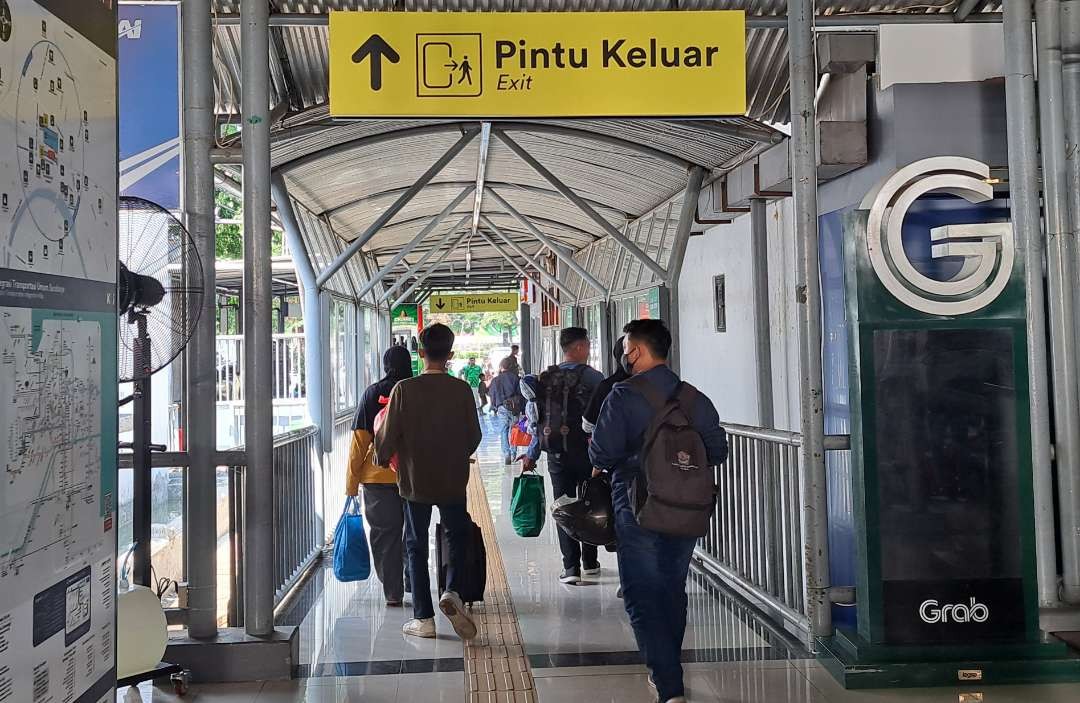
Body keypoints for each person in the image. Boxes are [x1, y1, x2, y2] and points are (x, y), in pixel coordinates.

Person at [589, 319, 728, 703]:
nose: (624, 354)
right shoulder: (695, 398)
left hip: (638, 505)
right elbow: (717, 451)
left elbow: (601, 452)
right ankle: (667, 670)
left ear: (635, 351)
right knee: (671, 588)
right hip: (688, 506)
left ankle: (667, 682)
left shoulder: (623, 395)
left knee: (640, 591)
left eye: (625, 348)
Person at [375, 324, 482, 641]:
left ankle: (424, 618)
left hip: (414, 480)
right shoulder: (461, 390)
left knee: (415, 545)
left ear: (420, 352)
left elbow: (387, 438)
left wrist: (382, 458)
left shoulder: (404, 390)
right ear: (450, 355)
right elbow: (474, 436)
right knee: (457, 536)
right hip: (452, 480)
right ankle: (452, 591)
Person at [521, 327, 604, 584]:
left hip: (556, 452)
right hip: (587, 453)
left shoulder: (547, 377)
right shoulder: (593, 377)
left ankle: (570, 568)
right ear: (579, 347)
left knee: (564, 505)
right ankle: (589, 561)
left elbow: (537, 419)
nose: (588, 350)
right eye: (587, 345)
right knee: (589, 502)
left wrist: (531, 453)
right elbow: (605, 417)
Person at [345, 346, 413, 606]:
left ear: (385, 365)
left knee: (385, 535)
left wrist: (351, 485)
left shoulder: (373, 394)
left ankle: (393, 592)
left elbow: (358, 444)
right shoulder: (415, 390)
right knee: (413, 532)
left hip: (377, 479)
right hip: (413, 475)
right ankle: (413, 581)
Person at [489, 356, 526, 465]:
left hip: (502, 407)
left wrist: (494, 406)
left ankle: (507, 453)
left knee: (503, 430)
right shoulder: (516, 378)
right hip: (514, 407)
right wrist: (523, 410)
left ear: (501, 367)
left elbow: (492, 394)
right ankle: (514, 453)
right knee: (513, 430)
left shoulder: (496, 380)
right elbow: (522, 394)